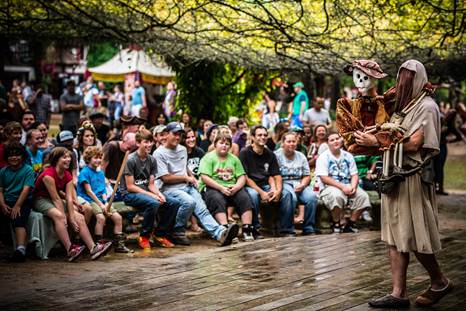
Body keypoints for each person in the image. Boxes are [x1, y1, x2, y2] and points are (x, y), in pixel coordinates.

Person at [355, 60, 453, 308]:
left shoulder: (428, 107)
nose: (402, 84)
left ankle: (439, 281)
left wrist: (375, 142)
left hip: (412, 179)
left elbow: (413, 144)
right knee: (394, 237)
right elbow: (389, 133)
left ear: (418, 80)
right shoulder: (404, 108)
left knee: (412, 234)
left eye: (408, 80)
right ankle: (398, 293)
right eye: (401, 79)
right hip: (393, 179)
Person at [154, 122, 239, 247]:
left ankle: (221, 234)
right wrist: (185, 177)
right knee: (189, 202)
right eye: (174, 134)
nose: (177, 138)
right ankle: (178, 230)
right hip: (169, 189)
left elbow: (184, 167)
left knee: (202, 210)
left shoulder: (182, 149)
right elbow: (165, 178)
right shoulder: (159, 153)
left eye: (179, 135)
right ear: (166, 134)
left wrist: (192, 178)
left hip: (187, 186)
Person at [34, 147, 111, 261]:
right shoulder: (48, 175)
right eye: (64, 157)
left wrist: (72, 217)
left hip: (59, 199)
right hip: (42, 200)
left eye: (69, 157)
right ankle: (70, 249)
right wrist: (66, 218)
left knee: (78, 217)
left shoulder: (67, 174)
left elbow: (69, 198)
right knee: (59, 216)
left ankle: (93, 248)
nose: (68, 159)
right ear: (56, 159)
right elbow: (55, 199)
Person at [120, 128, 180, 249]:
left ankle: (159, 234)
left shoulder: (152, 160)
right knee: (153, 203)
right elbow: (130, 186)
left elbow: (151, 184)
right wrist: (152, 196)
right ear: (138, 143)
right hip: (129, 194)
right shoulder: (131, 160)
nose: (149, 145)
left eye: (150, 142)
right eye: (145, 142)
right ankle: (144, 236)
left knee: (174, 203)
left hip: (145, 192)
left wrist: (159, 194)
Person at [199, 133, 255, 242]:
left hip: (232, 187)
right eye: (221, 143)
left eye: (227, 144)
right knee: (217, 199)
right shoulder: (208, 158)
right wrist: (221, 188)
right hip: (213, 187)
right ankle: (225, 230)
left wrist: (236, 188)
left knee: (244, 197)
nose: (224, 146)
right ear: (215, 144)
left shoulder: (234, 159)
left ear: (230, 146)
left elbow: (242, 177)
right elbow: (204, 177)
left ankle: (247, 229)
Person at [239, 125, 292, 238]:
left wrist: (277, 190)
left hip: (266, 185)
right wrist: (261, 193)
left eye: (264, 135)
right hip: (250, 186)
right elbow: (245, 177)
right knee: (253, 195)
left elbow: (276, 175)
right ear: (253, 137)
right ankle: (255, 229)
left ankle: (286, 230)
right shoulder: (244, 152)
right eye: (259, 135)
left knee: (286, 194)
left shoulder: (270, 154)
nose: (262, 137)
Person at [77, 146, 131, 253]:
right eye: (95, 158)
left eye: (100, 157)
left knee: (118, 218)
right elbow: (89, 191)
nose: (98, 160)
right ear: (88, 158)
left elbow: (103, 191)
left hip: (102, 201)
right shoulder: (85, 172)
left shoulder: (100, 173)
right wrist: (101, 205)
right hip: (90, 200)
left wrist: (106, 203)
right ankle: (99, 244)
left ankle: (119, 245)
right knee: (101, 218)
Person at [315, 132, 371, 234]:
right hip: (330, 186)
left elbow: (354, 174)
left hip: (348, 185)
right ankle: (336, 223)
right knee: (337, 196)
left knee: (363, 196)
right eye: (332, 140)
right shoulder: (323, 157)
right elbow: (324, 178)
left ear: (341, 140)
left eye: (337, 138)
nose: (335, 141)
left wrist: (353, 187)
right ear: (328, 143)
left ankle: (351, 223)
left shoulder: (348, 156)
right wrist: (342, 187)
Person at [275, 132, 317, 234]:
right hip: (283, 182)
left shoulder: (301, 156)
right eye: (288, 141)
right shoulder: (276, 155)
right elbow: (274, 175)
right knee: (291, 196)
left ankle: (308, 228)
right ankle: (287, 229)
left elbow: (307, 175)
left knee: (311, 196)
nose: (291, 144)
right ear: (283, 143)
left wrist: (302, 185)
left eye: (293, 141)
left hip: (299, 182)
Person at [0, 143, 35, 262]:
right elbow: (0, 190)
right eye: (10, 155)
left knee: (18, 219)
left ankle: (20, 249)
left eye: (17, 155)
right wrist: (2, 204)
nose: (13, 158)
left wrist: (17, 205)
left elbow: (26, 189)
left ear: (22, 156)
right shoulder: (3, 171)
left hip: (23, 201)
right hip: (6, 201)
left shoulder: (28, 170)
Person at [102, 131, 137, 201]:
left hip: (122, 184)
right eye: (128, 148)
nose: (130, 151)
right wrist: (104, 181)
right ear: (123, 140)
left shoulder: (133, 151)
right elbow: (102, 167)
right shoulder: (112, 146)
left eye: (132, 148)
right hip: (109, 183)